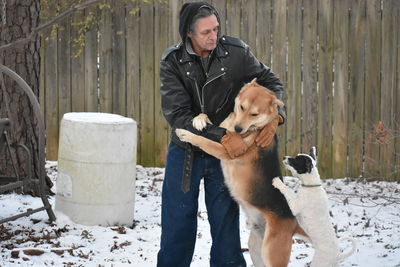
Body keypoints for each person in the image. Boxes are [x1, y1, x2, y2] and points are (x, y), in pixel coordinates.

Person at [157, 2, 286, 267]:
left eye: (216, 29)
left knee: (225, 227)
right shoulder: (173, 62)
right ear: (189, 34)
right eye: (205, 32)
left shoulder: (236, 53)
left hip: (227, 158)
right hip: (187, 154)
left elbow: (271, 83)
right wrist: (224, 135)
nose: (213, 36)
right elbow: (178, 115)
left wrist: (276, 117)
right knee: (177, 226)